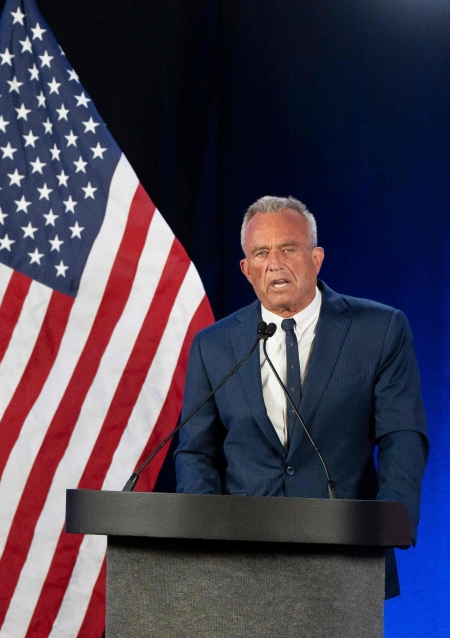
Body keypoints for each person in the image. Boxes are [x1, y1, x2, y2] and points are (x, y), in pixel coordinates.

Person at [173, 195, 429, 597]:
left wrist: (390, 521)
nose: (274, 262)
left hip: (346, 555)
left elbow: (403, 436)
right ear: (247, 269)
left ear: (316, 258)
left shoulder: (379, 330)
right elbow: (195, 452)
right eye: (261, 252)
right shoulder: (214, 345)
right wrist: (207, 536)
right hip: (240, 561)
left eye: (288, 248)